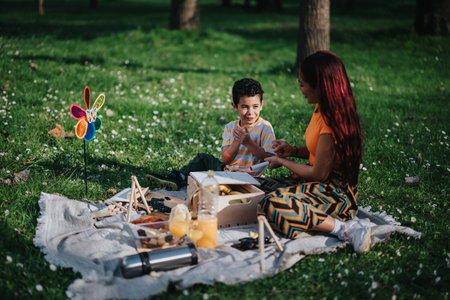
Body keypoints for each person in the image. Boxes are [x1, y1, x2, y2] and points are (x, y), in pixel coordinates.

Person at [256, 51, 371, 254]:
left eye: (302, 84)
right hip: (313, 184)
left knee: (272, 203)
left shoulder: (332, 122)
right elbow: (319, 154)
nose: (300, 89)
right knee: (256, 187)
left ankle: (343, 229)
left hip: (335, 194)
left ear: (321, 87)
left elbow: (319, 174)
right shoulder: (321, 107)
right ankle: (309, 220)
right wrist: (292, 150)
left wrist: (282, 162)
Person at [147, 78, 275, 190]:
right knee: (204, 158)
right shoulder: (231, 127)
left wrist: (248, 143)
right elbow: (226, 159)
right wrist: (237, 142)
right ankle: (177, 178)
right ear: (235, 106)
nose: (250, 112)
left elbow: (269, 160)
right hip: (228, 173)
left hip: (252, 178)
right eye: (244, 106)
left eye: (255, 106)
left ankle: (198, 181)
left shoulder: (264, 127)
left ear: (261, 105)